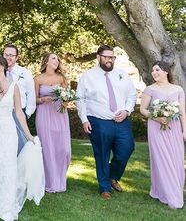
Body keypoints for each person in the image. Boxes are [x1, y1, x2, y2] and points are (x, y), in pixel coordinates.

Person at [0, 56, 44, 221]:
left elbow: (19, 114)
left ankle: (5, 205)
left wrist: (29, 136)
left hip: (8, 132)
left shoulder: (14, 87)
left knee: (7, 167)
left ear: (3, 66)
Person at [76, 45, 136, 199]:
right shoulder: (88, 76)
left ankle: (113, 176)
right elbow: (80, 99)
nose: (110, 60)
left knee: (127, 149)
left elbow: (131, 95)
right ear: (98, 57)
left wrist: (127, 110)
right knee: (102, 154)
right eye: (107, 57)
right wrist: (84, 119)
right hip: (98, 121)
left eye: (112, 57)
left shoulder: (122, 74)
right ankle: (105, 187)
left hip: (122, 120)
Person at [139, 61, 186, 209]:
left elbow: (182, 112)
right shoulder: (149, 89)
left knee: (176, 159)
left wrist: (185, 130)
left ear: (166, 71)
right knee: (162, 159)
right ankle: (169, 194)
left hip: (174, 129)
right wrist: (156, 117)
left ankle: (171, 189)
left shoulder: (178, 89)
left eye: (157, 70)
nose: (154, 73)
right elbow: (142, 109)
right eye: (152, 71)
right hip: (156, 128)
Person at [34, 53, 71, 193]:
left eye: (58, 59)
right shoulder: (37, 79)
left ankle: (60, 180)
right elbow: (34, 99)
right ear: (46, 61)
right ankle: (49, 182)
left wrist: (66, 100)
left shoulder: (61, 78)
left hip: (60, 114)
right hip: (44, 114)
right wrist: (43, 100)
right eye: (54, 58)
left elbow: (67, 99)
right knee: (47, 147)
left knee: (64, 149)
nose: (57, 61)